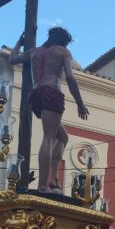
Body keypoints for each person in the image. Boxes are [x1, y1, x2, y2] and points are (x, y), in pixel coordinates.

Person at [9, 27, 90, 193]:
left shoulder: (33, 52)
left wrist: (19, 43)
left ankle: (53, 178)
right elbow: (70, 77)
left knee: (63, 136)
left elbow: (12, 59)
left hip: (36, 95)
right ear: (64, 41)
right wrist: (79, 103)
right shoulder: (63, 52)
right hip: (51, 92)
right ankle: (43, 185)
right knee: (48, 137)